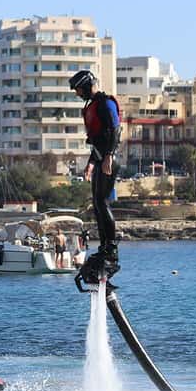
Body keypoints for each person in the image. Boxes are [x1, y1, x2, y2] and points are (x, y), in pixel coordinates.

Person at [69, 69, 121, 267]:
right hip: (100, 158)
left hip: (109, 158)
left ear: (87, 86)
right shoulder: (93, 105)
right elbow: (98, 139)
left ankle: (111, 247)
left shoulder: (105, 103)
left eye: (79, 89)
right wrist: (91, 163)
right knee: (97, 204)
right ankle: (104, 246)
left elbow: (115, 131)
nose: (78, 93)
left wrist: (108, 156)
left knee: (102, 202)